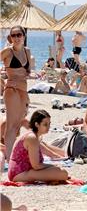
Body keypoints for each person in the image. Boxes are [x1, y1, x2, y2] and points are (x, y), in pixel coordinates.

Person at [8, 110, 68, 182]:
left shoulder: (34, 136)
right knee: (62, 173)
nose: (48, 127)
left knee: (60, 171)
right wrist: (53, 166)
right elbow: (36, 166)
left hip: (25, 171)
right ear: (37, 124)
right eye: (45, 124)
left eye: (49, 124)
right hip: (20, 173)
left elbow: (47, 151)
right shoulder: (32, 138)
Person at [0, 25, 31, 161]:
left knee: (18, 122)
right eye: (14, 35)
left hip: (23, 90)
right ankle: (10, 158)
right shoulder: (7, 52)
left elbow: (27, 72)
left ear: (24, 36)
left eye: (19, 35)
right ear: (10, 38)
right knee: (12, 124)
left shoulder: (27, 52)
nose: (17, 38)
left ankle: (8, 151)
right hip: (11, 90)